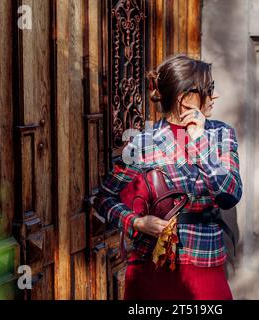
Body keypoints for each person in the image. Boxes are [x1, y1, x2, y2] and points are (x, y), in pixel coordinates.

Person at [92, 54, 243, 300]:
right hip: (153, 265)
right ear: (185, 99)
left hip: (205, 261)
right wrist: (136, 223)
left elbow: (230, 194)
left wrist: (199, 141)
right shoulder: (143, 143)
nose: (214, 96)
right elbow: (104, 198)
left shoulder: (221, 134)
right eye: (209, 89)